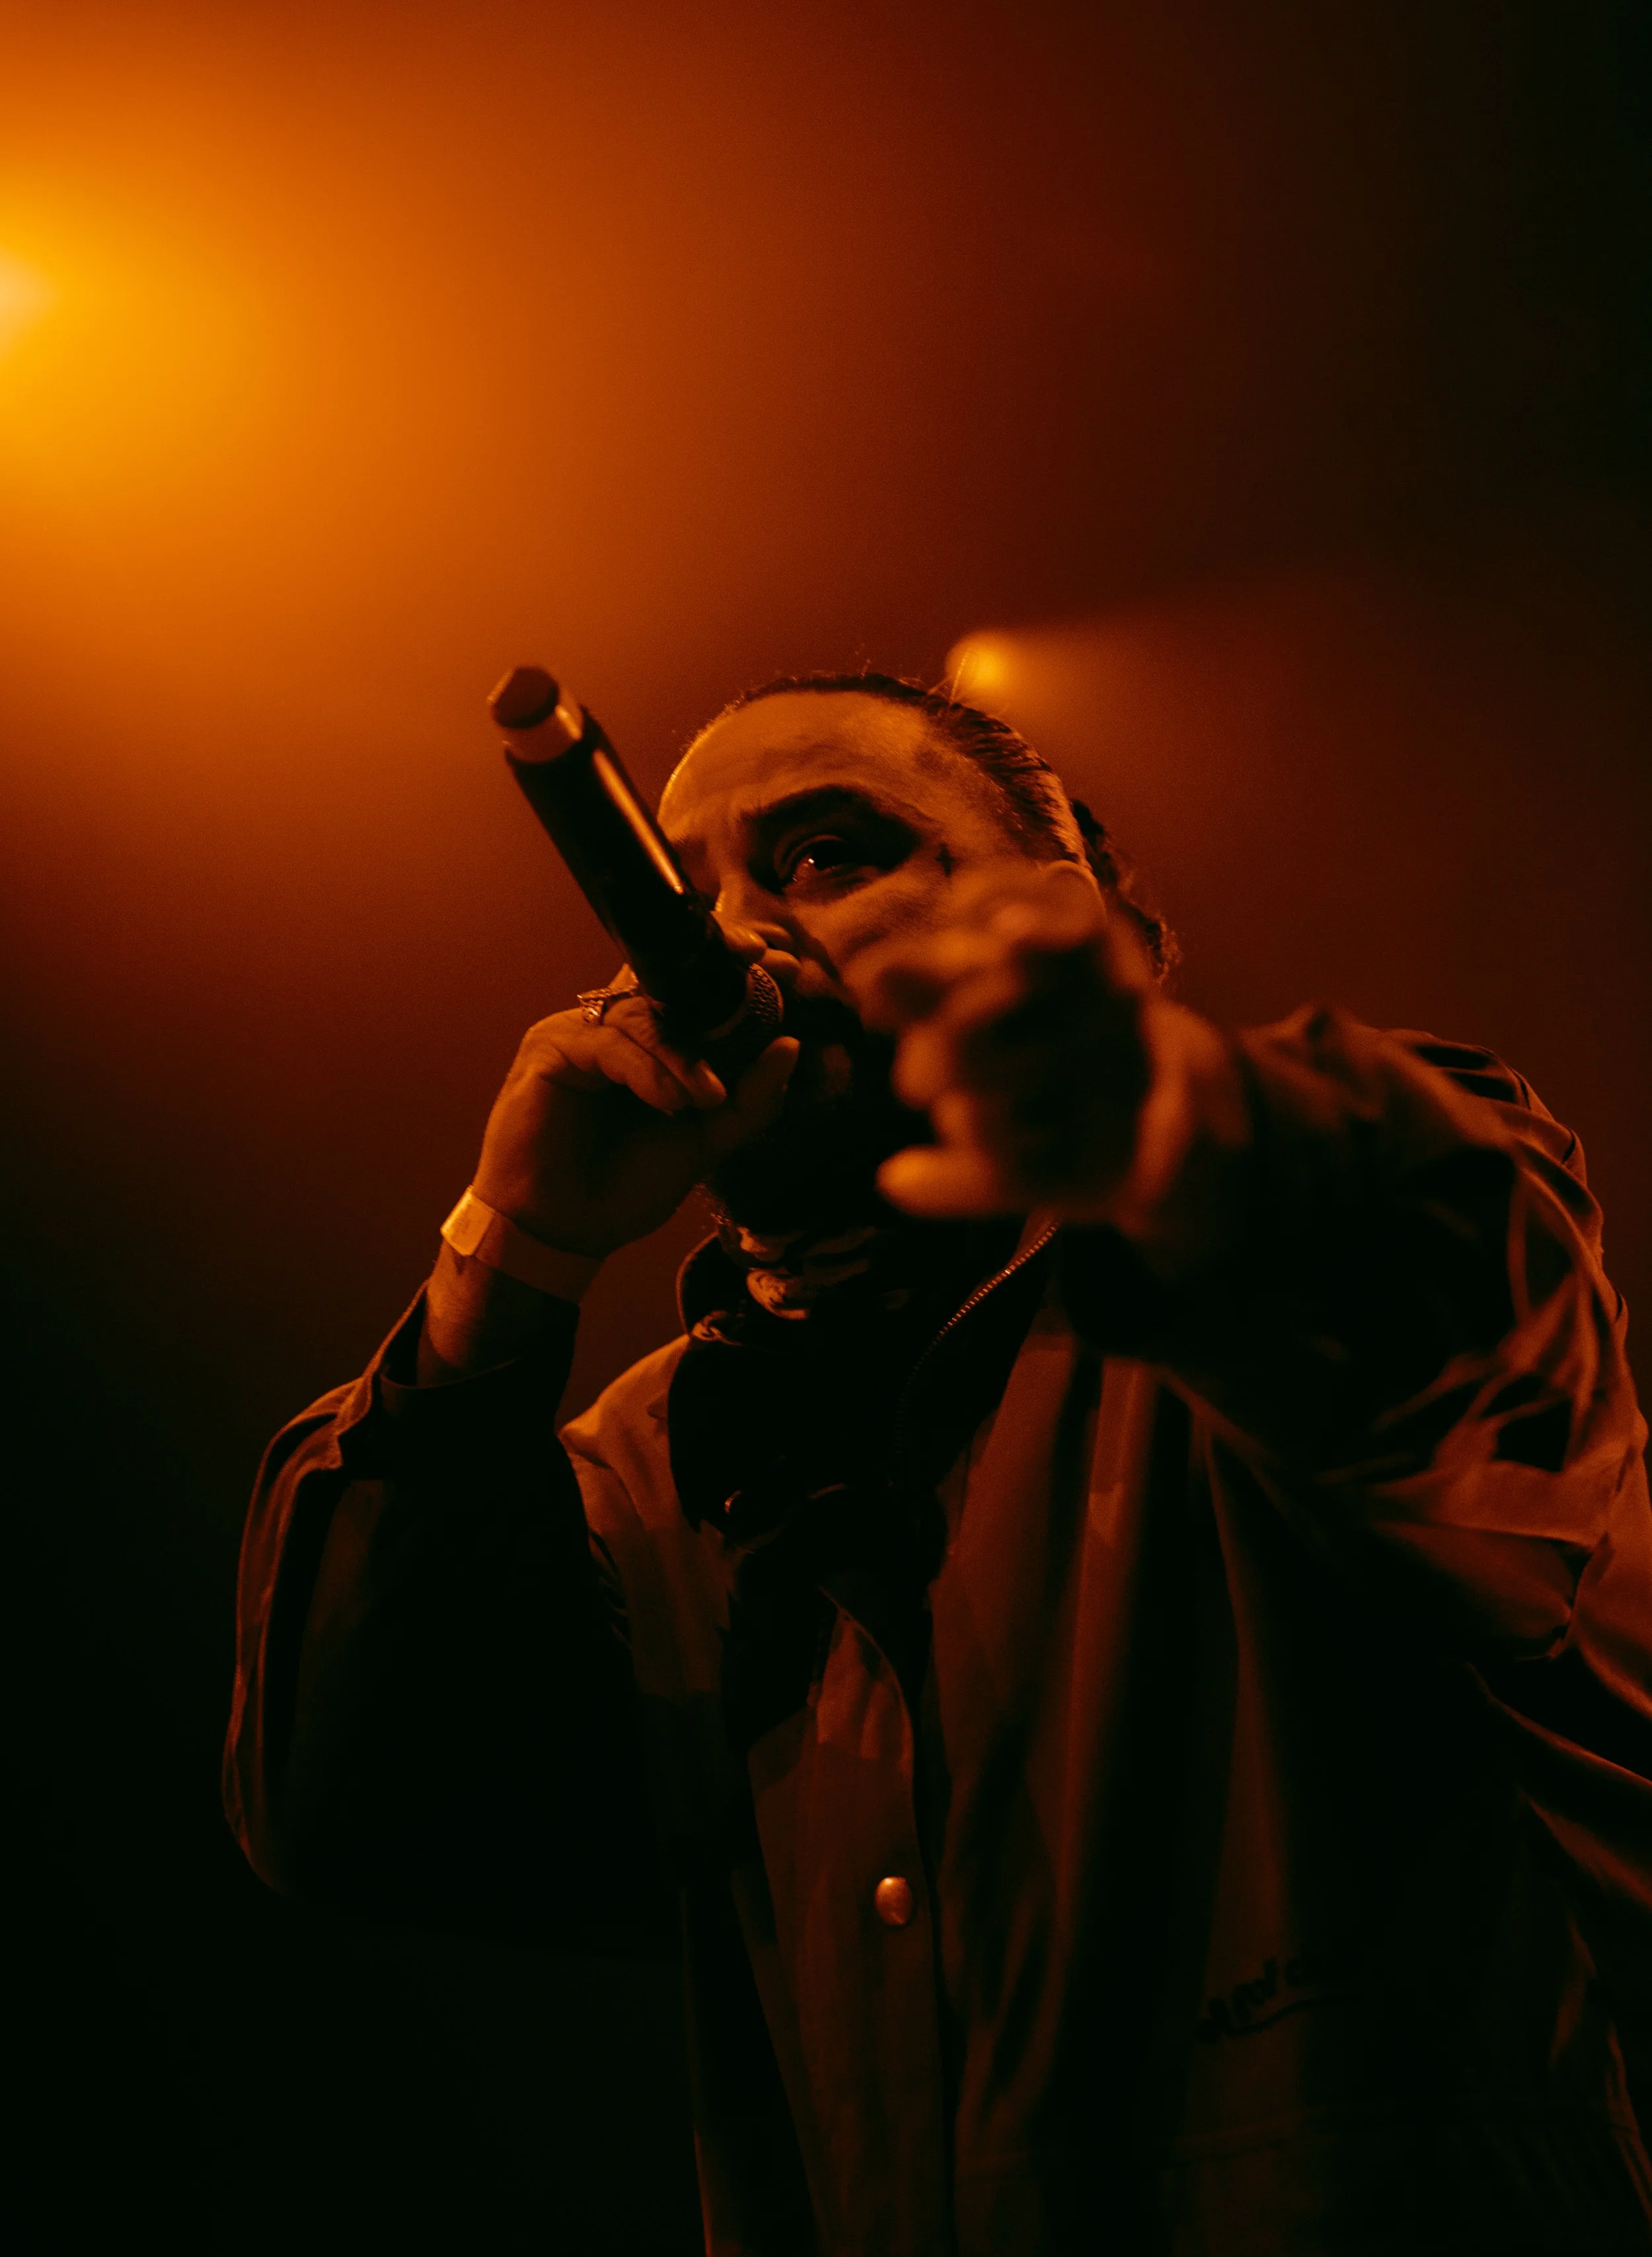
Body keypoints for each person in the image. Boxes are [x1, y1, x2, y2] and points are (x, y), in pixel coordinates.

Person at [227, 669, 1652, 2256]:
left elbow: (1454, 1316)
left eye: (826, 853)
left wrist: (1172, 1115)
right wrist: (507, 1261)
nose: (731, 938)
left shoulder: (1281, 1237)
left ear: (1073, 921)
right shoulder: (641, 1472)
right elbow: (358, 1811)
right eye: (679, 893)